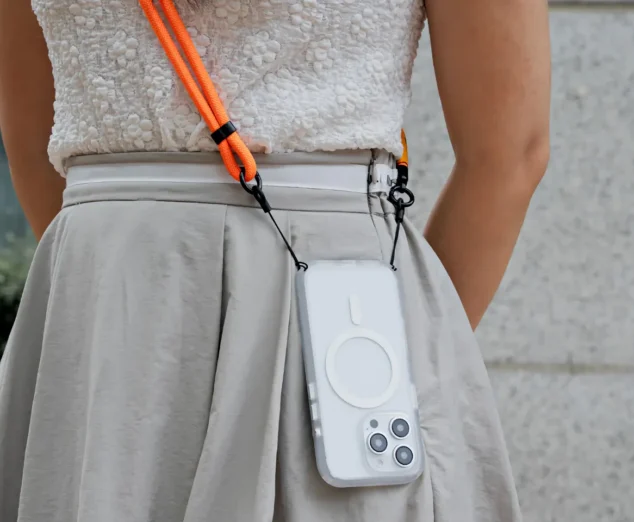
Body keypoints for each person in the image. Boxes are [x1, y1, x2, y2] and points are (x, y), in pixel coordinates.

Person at [0, 0, 550, 520]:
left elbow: (507, 157)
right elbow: (510, 153)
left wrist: (407, 364)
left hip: (134, 294)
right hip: (129, 300)